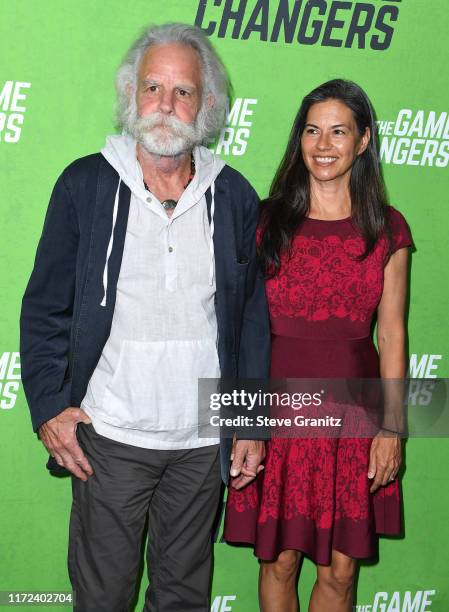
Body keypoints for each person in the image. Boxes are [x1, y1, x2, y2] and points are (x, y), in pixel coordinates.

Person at [20, 23, 270, 612]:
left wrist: (252, 421)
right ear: (131, 94)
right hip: (108, 438)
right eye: (153, 87)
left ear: (207, 105)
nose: (166, 104)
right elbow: (44, 308)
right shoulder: (84, 184)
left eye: (183, 91)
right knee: (103, 597)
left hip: (201, 444)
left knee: (183, 598)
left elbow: (252, 321)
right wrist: (50, 408)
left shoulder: (233, 196)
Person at [224, 79, 412, 611]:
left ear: (363, 141)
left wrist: (393, 429)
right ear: (298, 138)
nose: (323, 144)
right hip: (278, 411)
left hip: (355, 418)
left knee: (340, 572)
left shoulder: (388, 229)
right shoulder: (265, 223)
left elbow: (393, 335)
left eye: (338, 131)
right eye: (311, 130)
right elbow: (238, 330)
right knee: (279, 561)